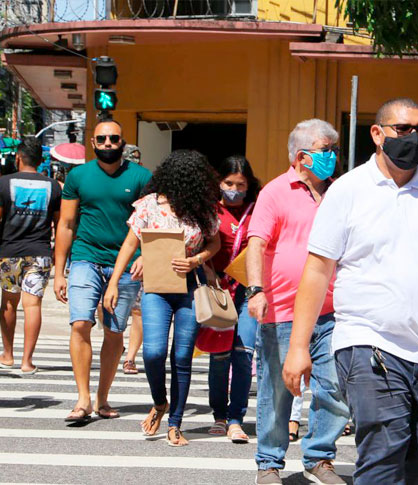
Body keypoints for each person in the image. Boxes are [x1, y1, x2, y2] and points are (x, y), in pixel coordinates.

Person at [283, 97, 418, 484]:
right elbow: (317, 272)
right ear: (377, 133)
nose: (414, 137)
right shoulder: (348, 191)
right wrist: (299, 347)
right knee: (384, 446)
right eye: (404, 129)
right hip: (367, 341)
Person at [246, 119, 349, 485]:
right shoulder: (275, 192)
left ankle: (319, 457)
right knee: (278, 389)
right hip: (283, 308)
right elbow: (256, 243)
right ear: (303, 157)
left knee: (335, 385)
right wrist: (256, 290)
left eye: (334, 150)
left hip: (333, 310)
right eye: (326, 151)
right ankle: (270, 463)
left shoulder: (339, 192)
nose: (333, 157)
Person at [104, 149, 220, 446]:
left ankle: (175, 423)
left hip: (190, 289)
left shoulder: (202, 209)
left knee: (182, 357)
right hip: (155, 288)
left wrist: (196, 260)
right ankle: (160, 402)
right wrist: (114, 282)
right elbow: (130, 244)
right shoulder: (147, 206)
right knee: (153, 353)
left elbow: (214, 242)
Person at [54, 119, 152, 422]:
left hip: (124, 266)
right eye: (102, 139)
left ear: (122, 142)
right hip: (85, 258)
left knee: (114, 331)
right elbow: (67, 224)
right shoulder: (79, 176)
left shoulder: (141, 177)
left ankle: (102, 398)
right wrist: (59, 271)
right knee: (80, 324)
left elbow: (152, 220)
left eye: (114, 139)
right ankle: (83, 399)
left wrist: (146, 255)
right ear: (93, 143)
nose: (108, 143)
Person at [206, 155, 261, 443]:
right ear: (219, 182)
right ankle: (219, 413)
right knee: (220, 355)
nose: (234, 189)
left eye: (241, 184)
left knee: (244, 354)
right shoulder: (209, 210)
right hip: (218, 290)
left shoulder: (258, 209)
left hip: (248, 289)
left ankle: (236, 418)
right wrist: (207, 270)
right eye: (229, 183)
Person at [0, 137, 62, 374]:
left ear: (18, 157)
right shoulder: (53, 186)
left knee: (8, 301)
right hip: (40, 252)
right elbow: (59, 223)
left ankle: (7, 354)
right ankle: (27, 361)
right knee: (32, 304)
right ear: (40, 160)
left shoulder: (4, 183)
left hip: (9, 252)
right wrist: (58, 254)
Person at [121, 143, 144, 375]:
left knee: (138, 310)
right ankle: (116, 341)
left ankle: (130, 357)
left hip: (139, 256)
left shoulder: (147, 189)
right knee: (105, 305)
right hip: (109, 255)